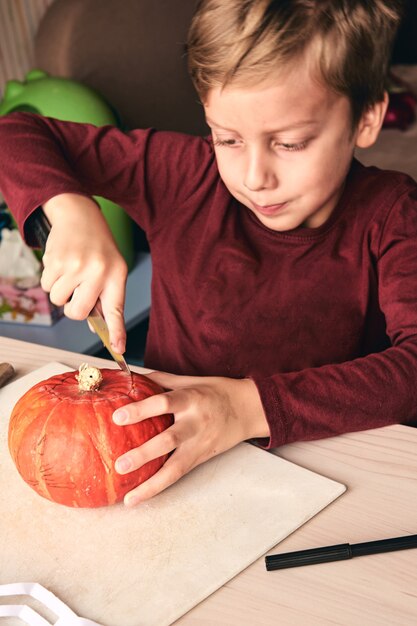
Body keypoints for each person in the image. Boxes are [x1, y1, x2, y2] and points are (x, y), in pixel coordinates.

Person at [0, 0, 414, 507]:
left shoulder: (394, 213)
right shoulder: (181, 172)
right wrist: (67, 211)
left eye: (290, 143)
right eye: (228, 139)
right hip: (175, 470)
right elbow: (15, 133)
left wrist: (245, 406)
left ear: (367, 119)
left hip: (328, 472)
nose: (255, 177)